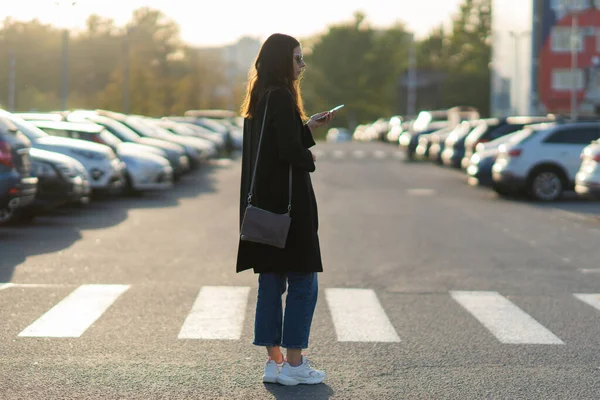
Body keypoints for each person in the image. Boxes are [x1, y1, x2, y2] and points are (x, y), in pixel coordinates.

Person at [236, 33, 336, 386]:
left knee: (271, 281)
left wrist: (307, 128)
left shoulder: (261, 96)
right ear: (282, 61)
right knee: (304, 282)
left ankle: (274, 362)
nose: (302, 64)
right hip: (289, 209)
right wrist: (307, 157)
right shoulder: (280, 96)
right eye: (297, 58)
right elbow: (289, 152)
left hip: (266, 207)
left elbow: (278, 142)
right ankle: (295, 363)